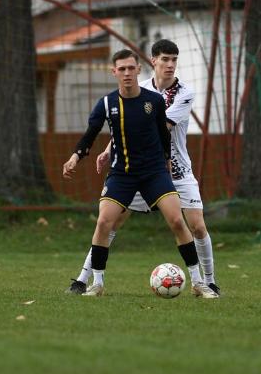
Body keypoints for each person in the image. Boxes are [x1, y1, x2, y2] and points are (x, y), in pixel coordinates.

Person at [66, 40, 219, 296]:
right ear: (152, 62)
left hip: (173, 167)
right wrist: (106, 151)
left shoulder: (184, 93)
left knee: (196, 225)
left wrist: (163, 163)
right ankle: (85, 279)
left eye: (174, 60)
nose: (170, 65)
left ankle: (208, 281)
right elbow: (124, 126)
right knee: (109, 223)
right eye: (165, 60)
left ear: (137, 68)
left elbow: (155, 129)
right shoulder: (138, 87)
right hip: (134, 168)